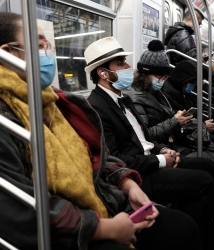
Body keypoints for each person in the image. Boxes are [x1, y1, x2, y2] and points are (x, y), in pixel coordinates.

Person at [0, 12, 203, 250]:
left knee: (183, 225)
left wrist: (127, 183)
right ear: (7, 52)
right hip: (67, 227)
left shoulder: (55, 102)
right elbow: (17, 207)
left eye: (49, 45)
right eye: (39, 44)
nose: (48, 52)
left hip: (105, 192)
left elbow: (95, 154)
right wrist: (104, 228)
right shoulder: (13, 118)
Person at [86, 36, 214, 250]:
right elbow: (116, 158)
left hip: (151, 158)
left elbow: (144, 138)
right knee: (202, 182)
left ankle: (211, 230)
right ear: (103, 73)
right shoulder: (96, 108)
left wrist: (164, 149)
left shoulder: (123, 98)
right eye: (120, 63)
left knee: (209, 167)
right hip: (139, 173)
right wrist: (160, 160)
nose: (128, 67)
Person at [124, 40, 214, 182]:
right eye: (158, 77)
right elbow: (145, 134)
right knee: (210, 161)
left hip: (171, 139)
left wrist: (182, 120)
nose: (162, 80)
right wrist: (175, 121)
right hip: (161, 147)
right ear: (145, 74)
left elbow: (167, 116)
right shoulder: (136, 98)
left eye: (165, 77)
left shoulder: (156, 91)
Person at [165, 8, 214, 88]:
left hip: (181, 78)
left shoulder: (179, 33)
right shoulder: (183, 35)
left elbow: (187, 57)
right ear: (195, 20)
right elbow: (195, 62)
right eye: (199, 24)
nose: (198, 27)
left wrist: (200, 57)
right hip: (183, 81)